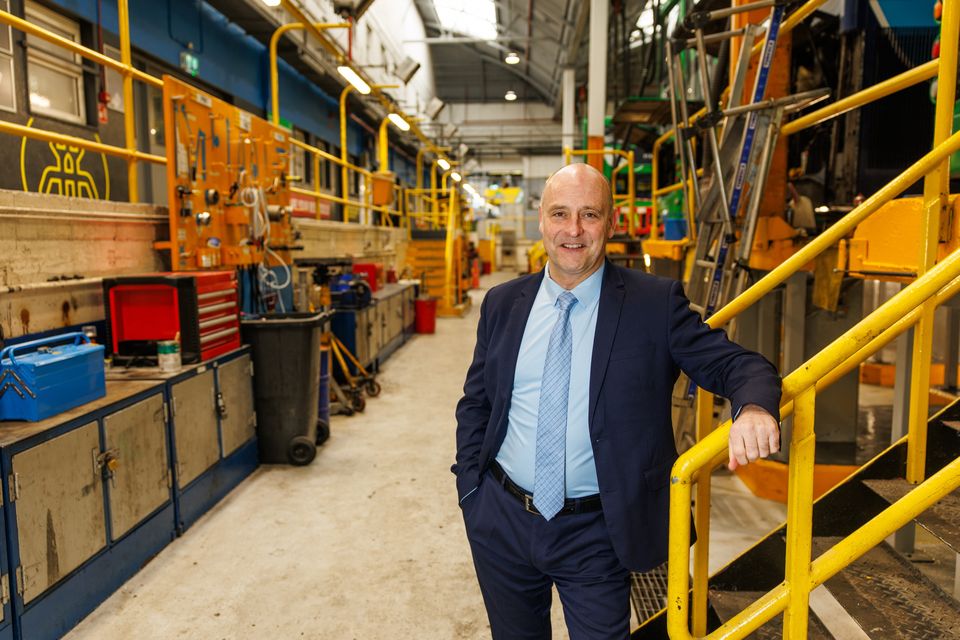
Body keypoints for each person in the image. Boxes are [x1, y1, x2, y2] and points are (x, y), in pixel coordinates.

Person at [452, 163, 781, 639]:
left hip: (596, 532)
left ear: (610, 223)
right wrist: (471, 490)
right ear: (541, 220)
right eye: (560, 214)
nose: (573, 230)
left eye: (589, 215)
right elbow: (478, 402)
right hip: (501, 519)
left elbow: (735, 364)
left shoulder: (653, 303)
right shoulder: (503, 303)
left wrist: (753, 407)